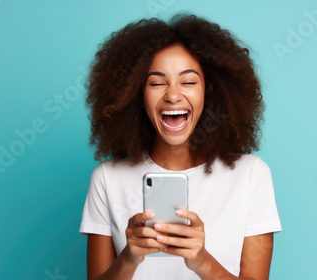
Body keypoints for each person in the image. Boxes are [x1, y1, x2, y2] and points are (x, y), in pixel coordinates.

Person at [79, 12, 282, 280]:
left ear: (210, 92)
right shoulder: (107, 178)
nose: (173, 95)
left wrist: (201, 261)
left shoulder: (251, 175)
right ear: (137, 96)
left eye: (188, 82)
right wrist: (129, 258)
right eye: (156, 82)